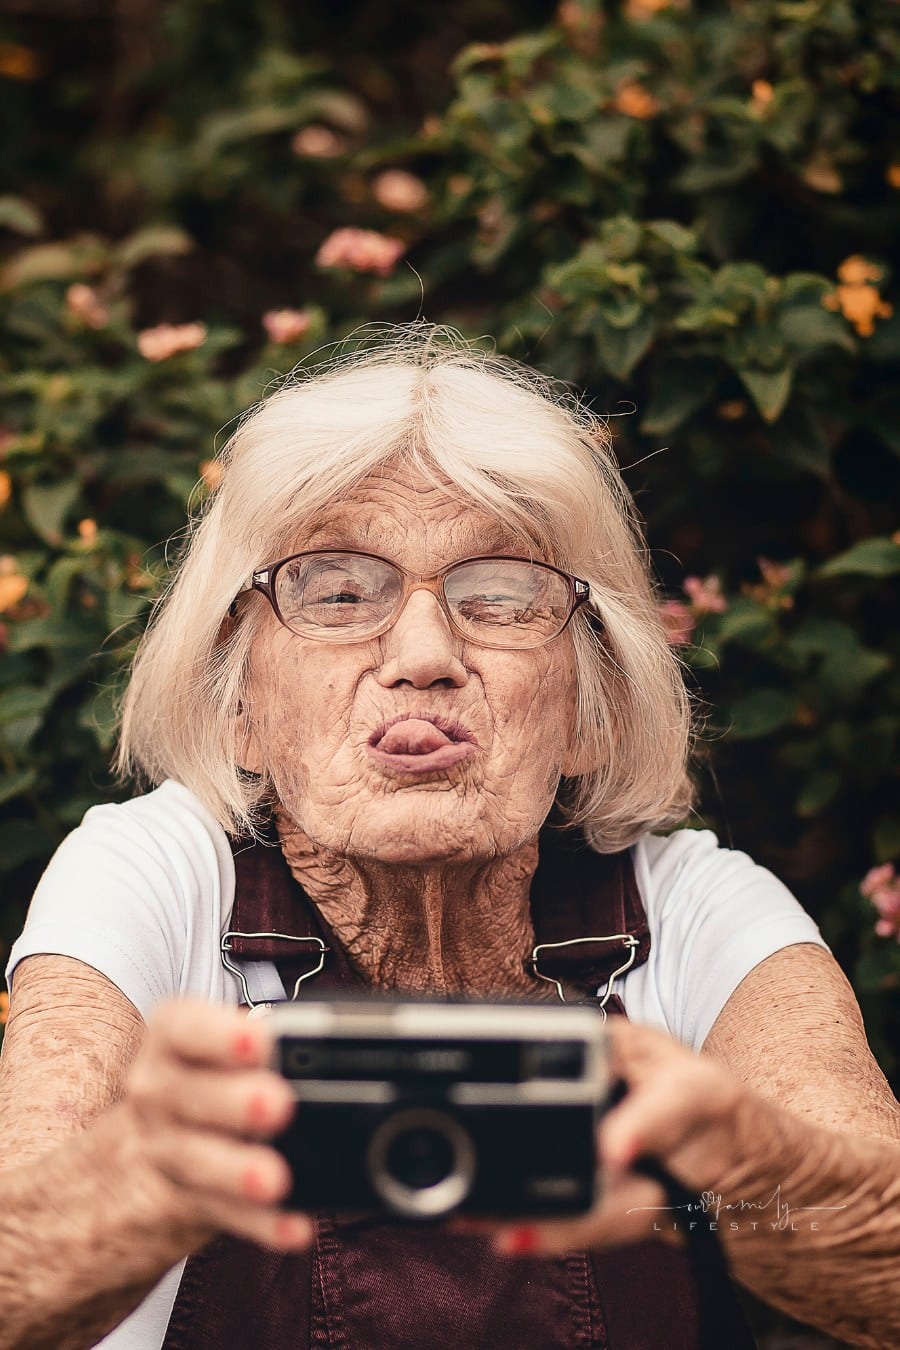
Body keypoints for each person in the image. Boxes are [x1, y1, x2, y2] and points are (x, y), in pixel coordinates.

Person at [0, 326, 897, 1350]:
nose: (424, 655)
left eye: (500, 596)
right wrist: (133, 1184)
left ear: (591, 707)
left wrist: (745, 1178)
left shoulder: (691, 907)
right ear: (240, 702)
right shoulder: (154, 875)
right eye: (337, 592)